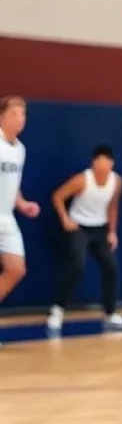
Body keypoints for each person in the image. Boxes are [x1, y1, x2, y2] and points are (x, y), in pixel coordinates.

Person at [48, 145, 122, 334]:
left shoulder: (116, 182)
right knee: (78, 263)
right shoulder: (81, 180)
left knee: (111, 266)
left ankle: (110, 313)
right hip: (79, 227)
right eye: (99, 161)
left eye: (107, 161)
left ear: (112, 163)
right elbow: (58, 196)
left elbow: (112, 207)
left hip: (100, 229)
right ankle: (57, 310)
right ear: (93, 163)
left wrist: (112, 232)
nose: (103, 165)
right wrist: (65, 219)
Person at [0, 96, 39, 329]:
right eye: (14, 114)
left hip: (6, 217)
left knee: (16, 269)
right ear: (2, 117)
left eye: (23, 114)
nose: (19, 119)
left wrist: (22, 204)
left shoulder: (20, 150)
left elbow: (12, 185)